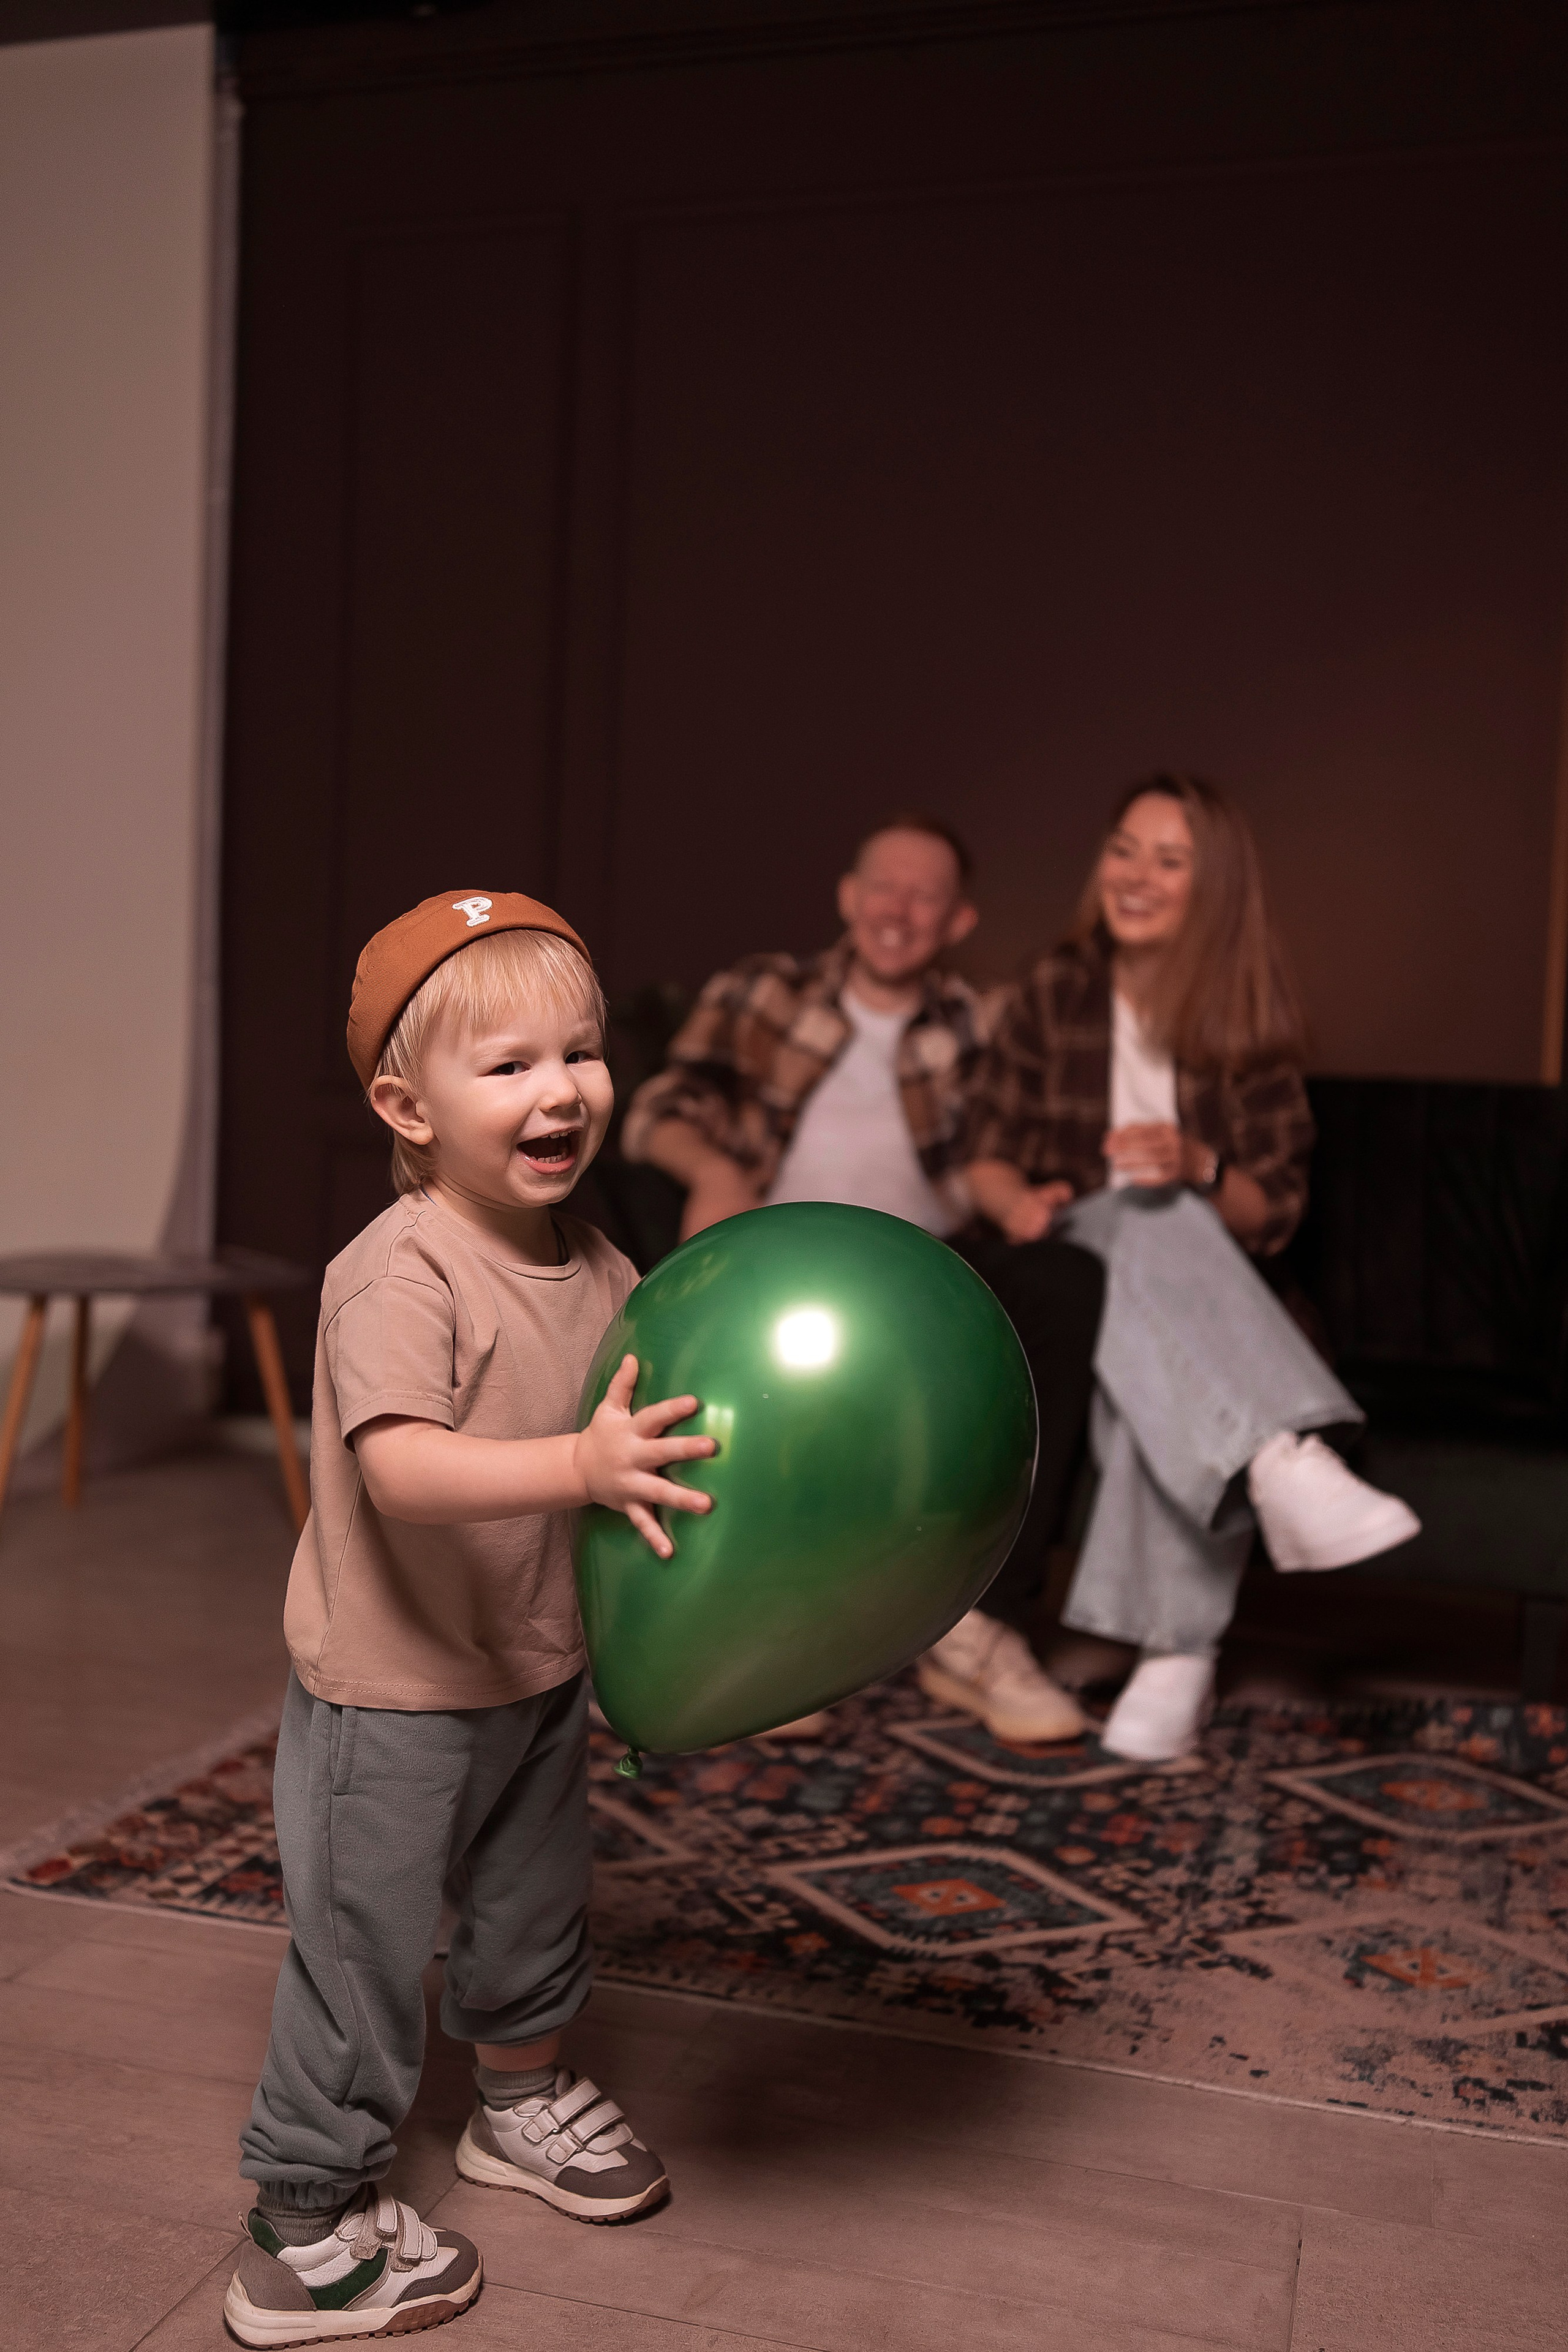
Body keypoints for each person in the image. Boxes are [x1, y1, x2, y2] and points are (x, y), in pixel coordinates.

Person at [227, 891, 718, 2348]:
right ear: (408, 1107)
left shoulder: (604, 1267)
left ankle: (516, 2103)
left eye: (580, 1052)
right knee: (362, 1956)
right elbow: (405, 1470)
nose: (558, 1089)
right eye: (507, 1065)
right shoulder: (400, 1270)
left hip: (534, 1662)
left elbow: (644, 1452)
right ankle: (300, 2231)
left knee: (532, 1904)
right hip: (390, 1693)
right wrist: (580, 1465)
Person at [964, 775, 1420, 1764]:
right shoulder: (1054, 990)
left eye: (1169, 861)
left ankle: (1178, 1646)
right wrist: (1016, 1206)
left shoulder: (1246, 1013)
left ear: (1213, 886)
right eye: (1124, 849)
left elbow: (1276, 1211)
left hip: (1204, 1295)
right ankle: (1272, 1462)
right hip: (1073, 1265)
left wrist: (1199, 1164)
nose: (1136, 876)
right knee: (1126, 1216)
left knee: (1161, 1227)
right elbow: (987, 1152)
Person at [622, 815, 1104, 1743]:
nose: (899, 910)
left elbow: (1013, 1145)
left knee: (1065, 1279)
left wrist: (1027, 1194)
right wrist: (715, 1171)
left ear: (958, 921)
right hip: (773, 1259)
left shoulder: (984, 1022)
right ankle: (735, 1624)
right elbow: (660, 1110)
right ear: (848, 897)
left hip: (929, 1281)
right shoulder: (764, 991)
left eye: (926, 897)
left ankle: (979, 1629)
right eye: (884, 886)